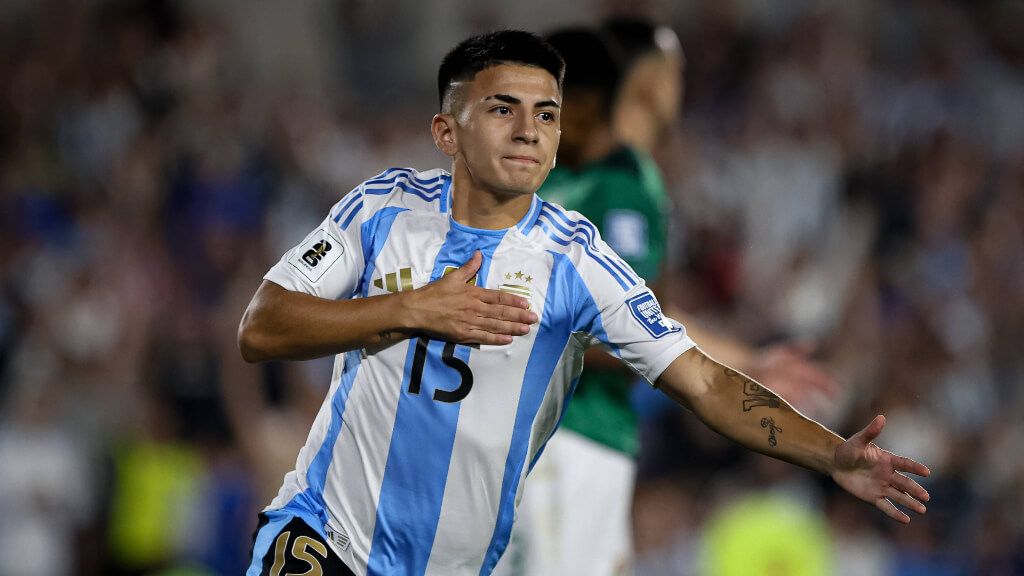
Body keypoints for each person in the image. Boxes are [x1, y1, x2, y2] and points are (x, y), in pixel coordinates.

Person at [238, 30, 929, 576]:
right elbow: (262, 325)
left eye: (546, 114)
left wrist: (832, 455)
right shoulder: (380, 209)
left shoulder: (576, 261)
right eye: (503, 109)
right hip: (323, 541)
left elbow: (706, 383)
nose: (529, 130)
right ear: (447, 132)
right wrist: (410, 308)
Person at [495, 25, 837, 576]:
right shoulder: (623, 183)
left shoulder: (544, 178)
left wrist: (740, 361)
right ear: (647, 85)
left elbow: (641, 316)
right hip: (575, 429)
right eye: (673, 71)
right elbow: (617, 327)